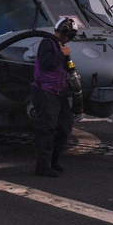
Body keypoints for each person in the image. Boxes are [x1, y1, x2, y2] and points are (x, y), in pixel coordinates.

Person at [30, 17, 80, 177]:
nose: (67, 39)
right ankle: (42, 166)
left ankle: (53, 160)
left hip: (59, 92)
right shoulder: (47, 43)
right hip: (46, 91)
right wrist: (62, 53)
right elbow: (47, 64)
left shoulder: (61, 47)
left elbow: (67, 66)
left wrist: (72, 73)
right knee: (46, 129)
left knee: (65, 127)